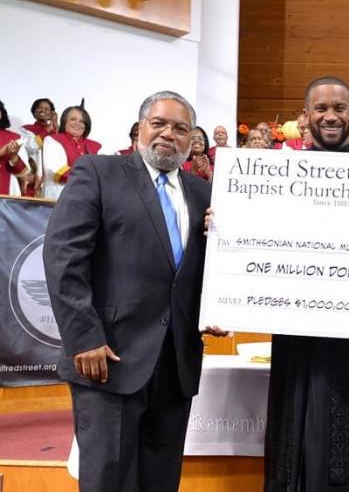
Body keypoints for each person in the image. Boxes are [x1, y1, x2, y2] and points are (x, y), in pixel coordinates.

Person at [44, 91, 225, 492]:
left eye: (180, 129)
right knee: (108, 480)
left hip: (176, 364)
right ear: (141, 127)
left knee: (161, 481)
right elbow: (63, 258)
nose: (168, 134)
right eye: (158, 123)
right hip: (107, 357)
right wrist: (84, 337)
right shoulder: (98, 172)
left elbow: (205, 270)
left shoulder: (204, 194)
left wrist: (220, 303)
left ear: (191, 138)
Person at [265, 76, 349, 492]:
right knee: (295, 436)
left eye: (339, 108)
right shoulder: (276, 178)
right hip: (298, 329)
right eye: (321, 108)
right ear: (305, 116)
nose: (330, 116)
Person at [42, 106, 101, 199]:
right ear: (64, 122)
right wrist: (87, 178)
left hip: (86, 199)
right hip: (59, 195)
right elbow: (54, 170)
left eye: (82, 121)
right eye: (73, 119)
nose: (78, 123)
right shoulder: (52, 140)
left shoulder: (93, 146)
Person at [0, 100, 28, 195]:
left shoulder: (15, 138)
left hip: (8, 192)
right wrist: (1, 152)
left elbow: (22, 172)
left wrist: (14, 158)